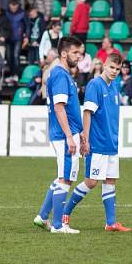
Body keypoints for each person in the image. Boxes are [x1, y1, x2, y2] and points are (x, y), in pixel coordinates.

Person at [61, 51, 131, 232]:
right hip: (97, 143)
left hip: (111, 143)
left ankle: (111, 223)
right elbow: (87, 112)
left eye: (118, 68)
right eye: (112, 67)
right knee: (91, 182)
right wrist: (86, 139)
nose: (115, 71)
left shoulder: (114, 86)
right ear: (104, 65)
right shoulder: (95, 85)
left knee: (110, 180)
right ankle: (65, 212)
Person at [32, 37, 84, 234]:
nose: (79, 57)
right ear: (64, 54)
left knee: (64, 176)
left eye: (80, 53)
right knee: (65, 178)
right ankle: (58, 225)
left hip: (65, 134)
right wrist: (70, 136)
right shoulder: (61, 76)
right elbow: (59, 108)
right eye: (75, 53)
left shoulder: (61, 75)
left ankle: (43, 216)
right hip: (64, 135)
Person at [6, 0, 28, 78]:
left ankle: (16, 74)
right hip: (8, 38)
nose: (13, 10)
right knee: (8, 57)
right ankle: (11, 73)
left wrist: (26, 37)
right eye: (12, 8)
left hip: (18, 38)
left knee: (16, 56)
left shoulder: (22, 13)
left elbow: (27, 25)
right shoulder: (6, 13)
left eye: (15, 8)